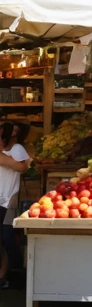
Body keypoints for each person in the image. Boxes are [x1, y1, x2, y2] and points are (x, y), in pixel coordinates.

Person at [0, 122, 31, 288]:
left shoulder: (17, 149)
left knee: (5, 239)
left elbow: (22, 167)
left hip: (6, 199)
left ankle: (3, 275)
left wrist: (5, 159)